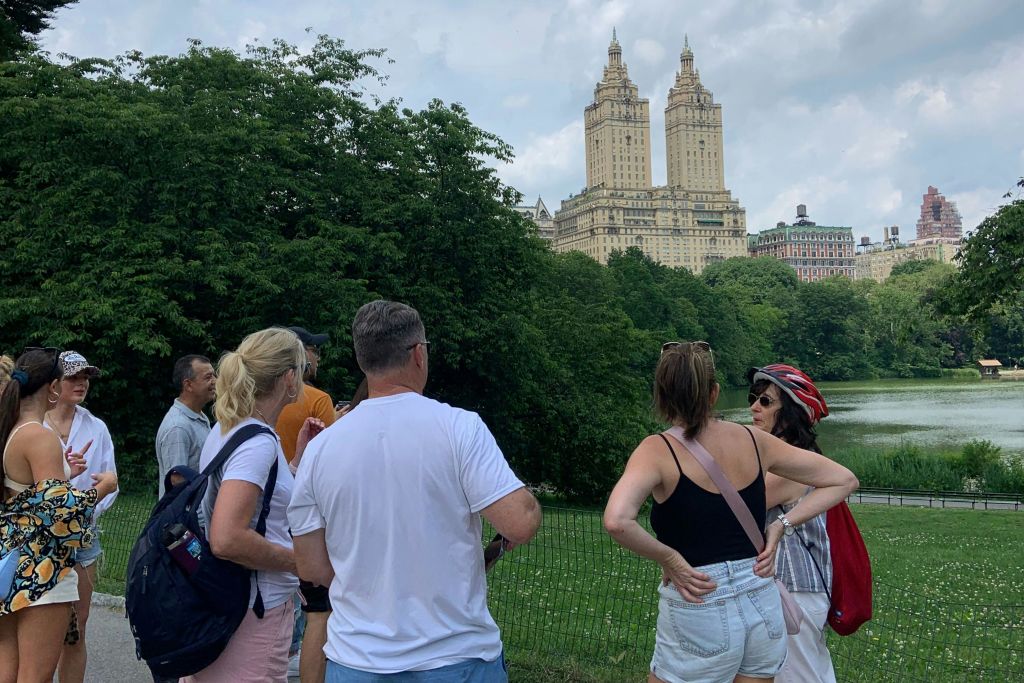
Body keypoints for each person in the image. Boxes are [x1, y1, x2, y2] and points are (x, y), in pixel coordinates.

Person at [288, 300, 542, 681]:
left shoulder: (320, 448)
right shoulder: (460, 428)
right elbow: (519, 522)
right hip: (457, 656)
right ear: (419, 354)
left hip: (357, 658)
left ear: (363, 361)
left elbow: (311, 568)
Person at [603, 341, 858, 683]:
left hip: (699, 595)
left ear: (661, 395)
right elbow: (843, 479)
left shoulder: (656, 451)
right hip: (760, 592)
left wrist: (670, 558)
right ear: (714, 393)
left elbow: (617, 521)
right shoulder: (752, 440)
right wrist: (780, 526)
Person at [181, 327, 312, 683]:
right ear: (288, 378)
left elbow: (259, 506)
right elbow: (227, 537)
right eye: (302, 370)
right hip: (254, 610)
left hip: (222, 601)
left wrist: (295, 460)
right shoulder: (258, 443)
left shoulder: (228, 428)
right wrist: (298, 563)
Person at [0, 348, 117, 683]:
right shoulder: (39, 435)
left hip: (10, 562)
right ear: (53, 387)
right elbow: (62, 514)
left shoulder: (9, 429)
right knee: (36, 675)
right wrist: (104, 487)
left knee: (7, 669)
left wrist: (63, 475)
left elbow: (26, 499)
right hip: (43, 569)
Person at [749, 364, 836, 683]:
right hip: (786, 588)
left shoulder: (794, 464)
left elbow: (738, 504)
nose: (754, 407)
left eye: (766, 401)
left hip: (795, 589)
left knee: (798, 677)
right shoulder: (780, 459)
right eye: (753, 397)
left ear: (790, 414)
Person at [44, 350, 119, 683]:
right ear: (54, 383)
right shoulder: (32, 423)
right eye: (74, 377)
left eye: (86, 377)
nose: (82, 383)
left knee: (76, 627)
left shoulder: (95, 426)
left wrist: (87, 507)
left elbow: (110, 480)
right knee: (40, 628)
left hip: (81, 538)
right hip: (40, 540)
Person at [291, 378, 368, 683]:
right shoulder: (360, 436)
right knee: (324, 619)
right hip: (334, 543)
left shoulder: (333, 434)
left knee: (315, 619)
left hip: (310, 534)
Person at [275, 326, 336, 677]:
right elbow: (331, 455)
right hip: (308, 510)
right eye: (314, 349)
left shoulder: (249, 401)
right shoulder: (318, 400)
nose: (318, 357)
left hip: (270, 506)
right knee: (318, 610)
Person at [155, 354, 216, 497]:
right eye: (208, 377)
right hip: (185, 518)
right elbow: (176, 481)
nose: (215, 381)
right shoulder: (178, 427)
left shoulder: (200, 417)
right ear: (188, 385)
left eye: (214, 376)